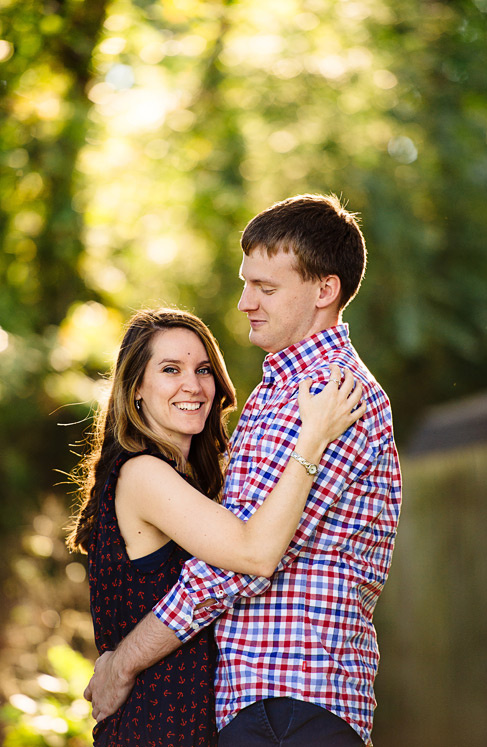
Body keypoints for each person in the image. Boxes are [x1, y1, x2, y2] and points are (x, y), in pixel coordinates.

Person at [84, 193, 403, 747]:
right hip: (255, 704)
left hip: (293, 698)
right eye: (246, 282)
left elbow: (240, 562)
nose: (244, 302)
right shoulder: (275, 395)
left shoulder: (328, 394)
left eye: (266, 288)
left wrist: (122, 664)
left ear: (325, 291)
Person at [67, 307, 364, 746]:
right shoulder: (144, 474)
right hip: (153, 729)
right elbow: (255, 552)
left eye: (203, 369)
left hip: (191, 726)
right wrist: (313, 439)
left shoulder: (195, 482)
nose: (193, 385)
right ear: (136, 392)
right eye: (171, 369)